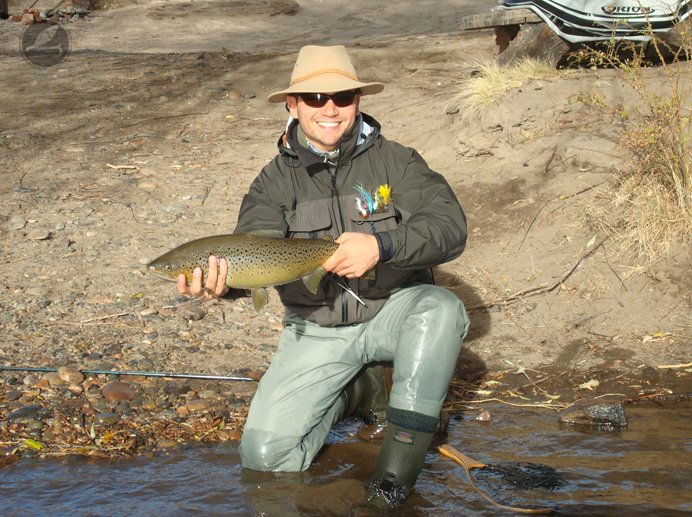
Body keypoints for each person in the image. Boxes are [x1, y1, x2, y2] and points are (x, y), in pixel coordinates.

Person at [176, 45, 470, 508]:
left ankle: (394, 482)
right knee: (265, 459)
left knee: (443, 309)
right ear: (292, 105)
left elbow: (450, 228)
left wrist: (381, 245)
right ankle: (354, 388)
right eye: (313, 98)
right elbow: (251, 250)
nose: (329, 109)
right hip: (316, 327)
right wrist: (224, 284)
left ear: (358, 100)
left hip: (395, 311)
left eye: (342, 97)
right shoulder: (272, 183)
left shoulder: (397, 161)